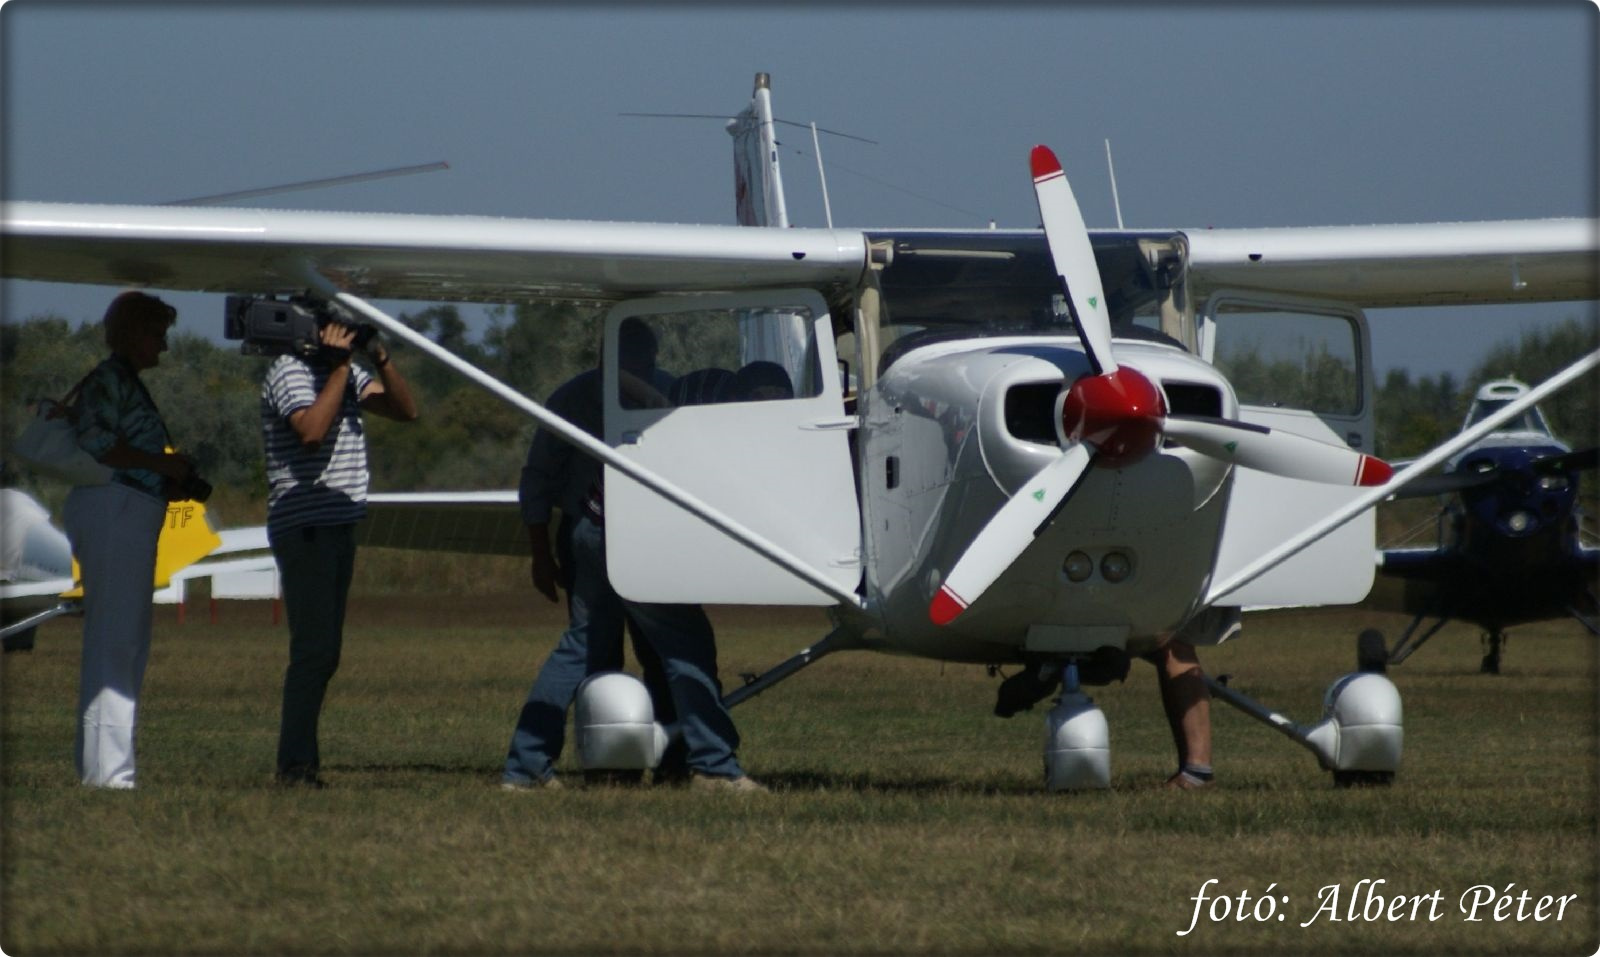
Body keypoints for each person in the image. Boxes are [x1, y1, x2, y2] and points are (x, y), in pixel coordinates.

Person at [504, 319, 764, 793]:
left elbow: (540, 480)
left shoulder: (609, 393)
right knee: (682, 646)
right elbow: (538, 479)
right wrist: (541, 554)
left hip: (596, 525)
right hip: (618, 528)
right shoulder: (642, 395)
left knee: (591, 646)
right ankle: (712, 764)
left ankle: (534, 766)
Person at [260, 315, 417, 787]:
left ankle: (300, 761)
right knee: (313, 651)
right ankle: (296, 766)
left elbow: (405, 411)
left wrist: (380, 356)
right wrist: (341, 369)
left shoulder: (341, 370)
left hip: (338, 522)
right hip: (304, 523)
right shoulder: (288, 370)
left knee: (324, 651)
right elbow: (310, 432)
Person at [64, 291, 198, 788]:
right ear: (131, 333)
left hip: (128, 510)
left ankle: (104, 767)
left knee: (122, 641)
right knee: (116, 643)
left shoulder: (122, 382)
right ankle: (110, 774)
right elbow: (98, 442)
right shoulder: (109, 381)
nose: (162, 346)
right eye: (156, 334)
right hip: (115, 508)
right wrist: (159, 464)